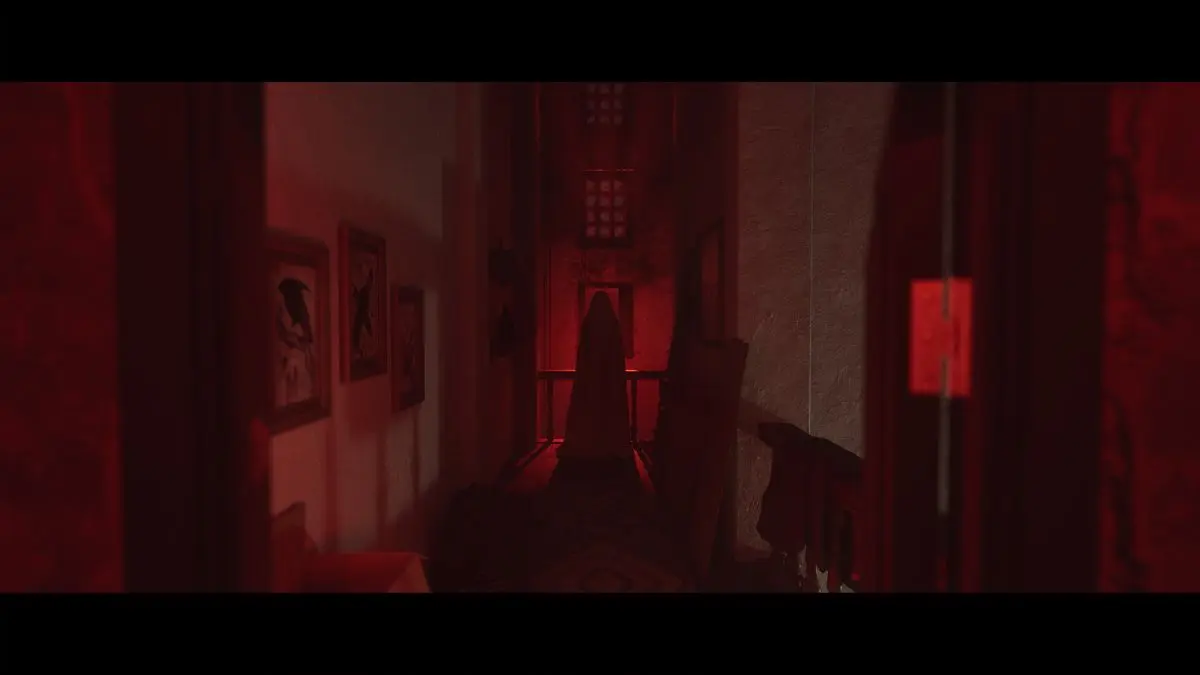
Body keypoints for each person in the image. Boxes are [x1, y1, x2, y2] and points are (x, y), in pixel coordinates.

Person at [557, 293, 631, 461]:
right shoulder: (612, 325)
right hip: (607, 381)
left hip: (591, 380)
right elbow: (616, 356)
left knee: (589, 413)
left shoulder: (589, 325)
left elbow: (584, 354)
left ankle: (589, 446)